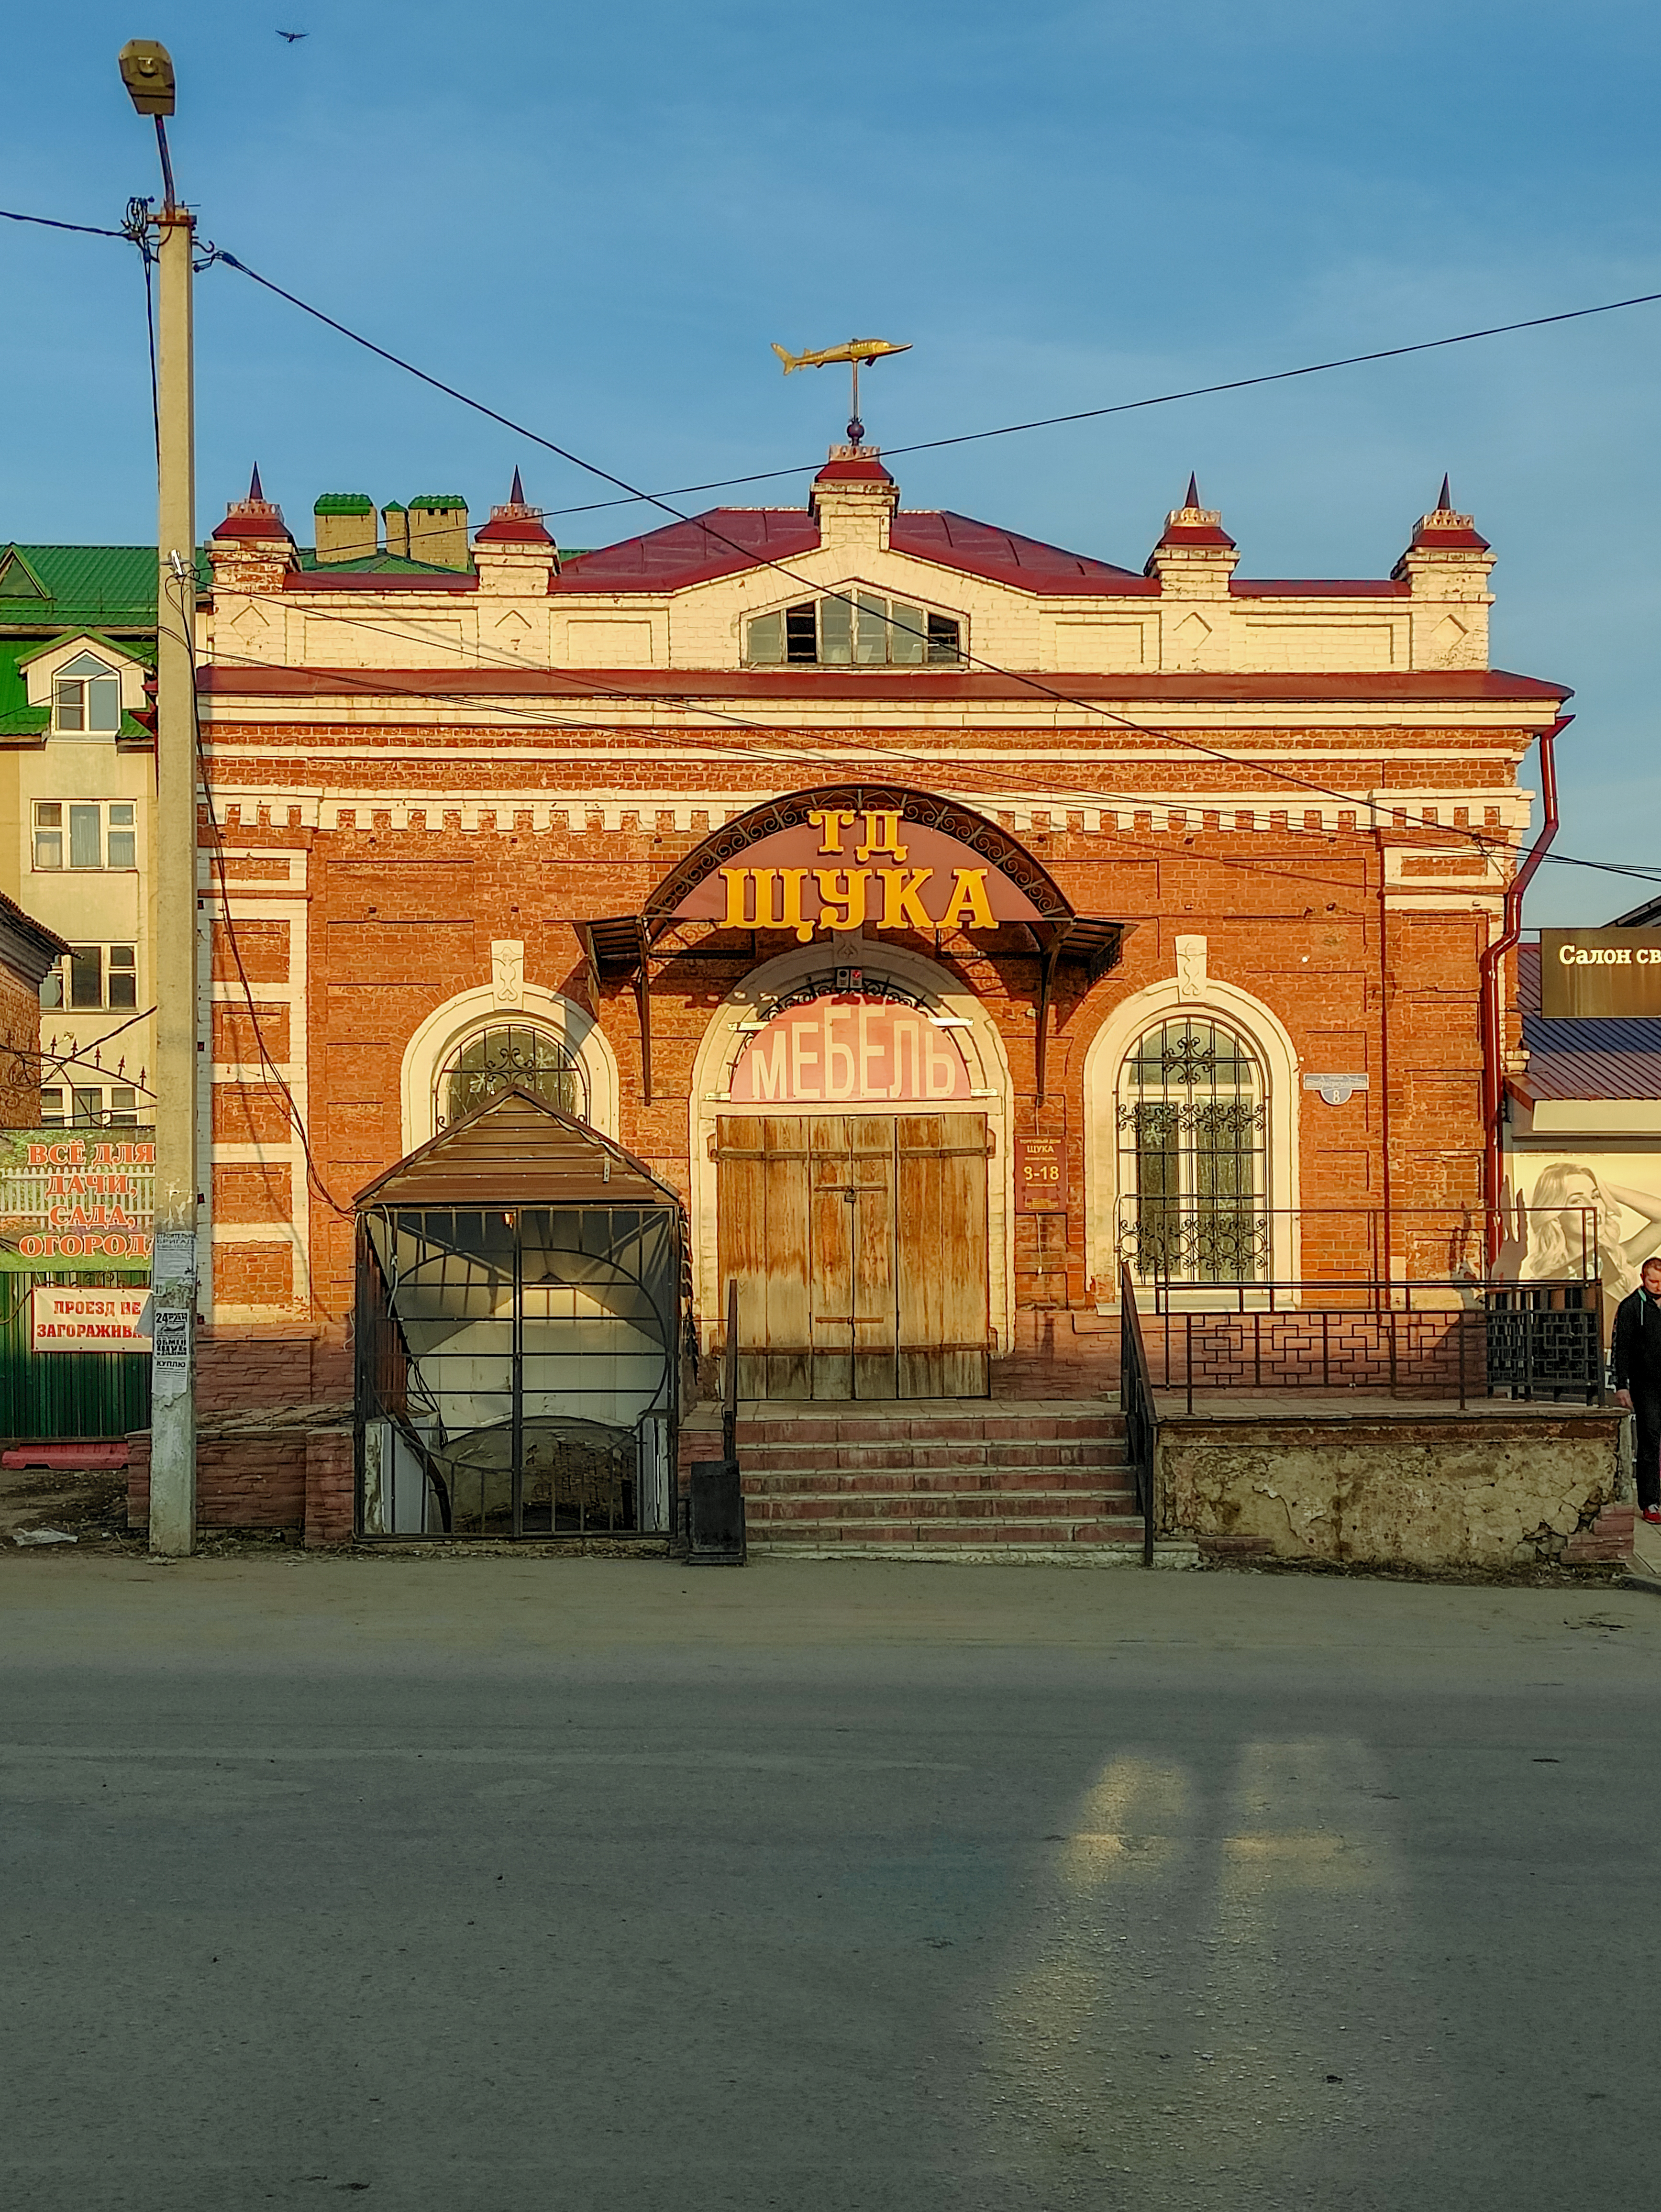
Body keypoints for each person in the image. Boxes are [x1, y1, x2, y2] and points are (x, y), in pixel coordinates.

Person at [1523, 1161, 1661, 1305]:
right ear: (1556, 1215)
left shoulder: (1616, 1258)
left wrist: (1606, 1188)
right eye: (1577, 1201)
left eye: (1596, 1196)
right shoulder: (1551, 1278)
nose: (1593, 1207)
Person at [1612, 1254, 1661, 1525]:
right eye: (1653, 1281)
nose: (1657, 1286)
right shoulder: (1632, 1307)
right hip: (1646, 1386)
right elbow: (1622, 1349)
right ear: (1643, 1278)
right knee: (1650, 1443)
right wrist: (1622, 1385)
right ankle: (1650, 1502)